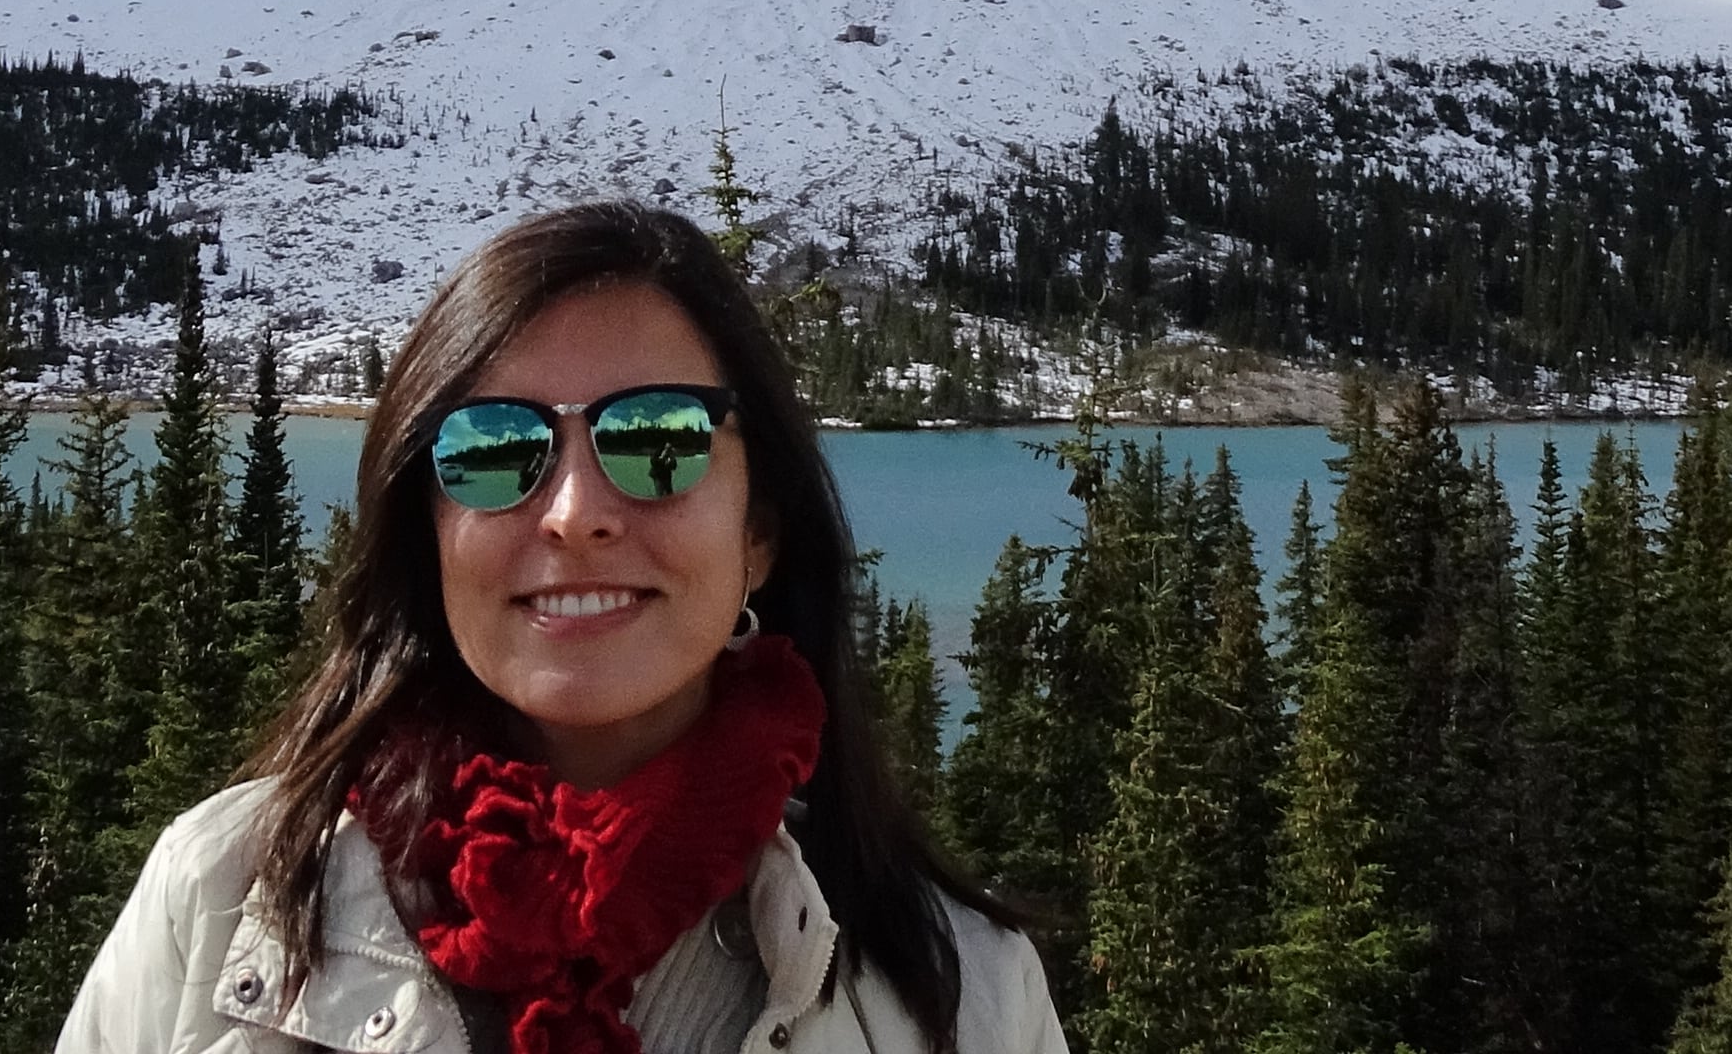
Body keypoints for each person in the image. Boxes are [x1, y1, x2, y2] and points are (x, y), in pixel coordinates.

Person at [56, 201, 1059, 1054]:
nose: (575, 508)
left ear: (758, 533)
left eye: (658, 437)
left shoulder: (965, 995)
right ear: (430, 533)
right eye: (496, 449)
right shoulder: (227, 898)